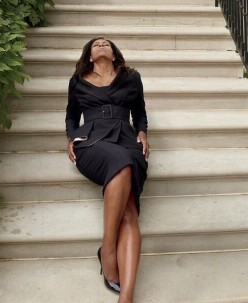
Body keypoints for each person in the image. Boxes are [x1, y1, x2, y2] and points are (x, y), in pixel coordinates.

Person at [66, 37, 150, 303]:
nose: (101, 44)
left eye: (106, 43)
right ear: (90, 56)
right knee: (121, 163)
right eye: (96, 44)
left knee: (130, 213)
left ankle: (126, 296)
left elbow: (140, 113)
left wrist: (142, 132)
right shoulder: (77, 81)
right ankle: (109, 250)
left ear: (114, 55)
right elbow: (71, 115)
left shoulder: (131, 78)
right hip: (92, 141)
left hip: (126, 138)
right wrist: (71, 137)